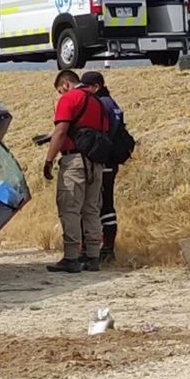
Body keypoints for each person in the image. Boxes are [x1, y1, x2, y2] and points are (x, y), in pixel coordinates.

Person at [43, 70, 109, 273]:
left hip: (74, 161)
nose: (60, 94)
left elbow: (61, 131)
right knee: (92, 209)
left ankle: (71, 256)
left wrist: (49, 160)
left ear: (65, 84)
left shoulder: (69, 99)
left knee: (69, 208)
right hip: (96, 161)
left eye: (60, 90)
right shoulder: (98, 102)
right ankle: (93, 256)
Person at [80, 71, 124, 265]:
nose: (84, 92)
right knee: (106, 204)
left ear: (96, 86)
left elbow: (103, 133)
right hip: (112, 160)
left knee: (99, 205)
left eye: (86, 87)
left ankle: (103, 249)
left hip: (104, 161)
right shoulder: (112, 103)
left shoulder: (101, 104)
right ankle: (106, 248)